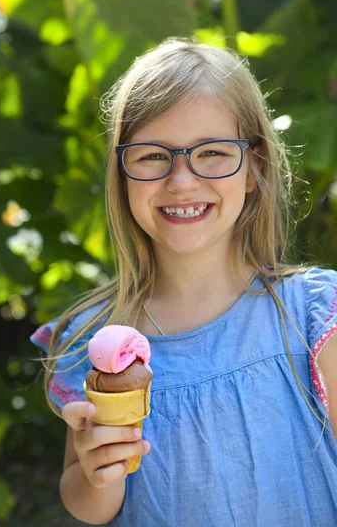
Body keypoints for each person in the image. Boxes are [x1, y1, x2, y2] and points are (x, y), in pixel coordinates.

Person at [31, 38, 337, 526]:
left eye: (212, 152)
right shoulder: (98, 340)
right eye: (153, 156)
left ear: (255, 165)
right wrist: (95, 473)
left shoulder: (312, 319)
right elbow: (87, 502)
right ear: (121, 172)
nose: (182, 181)